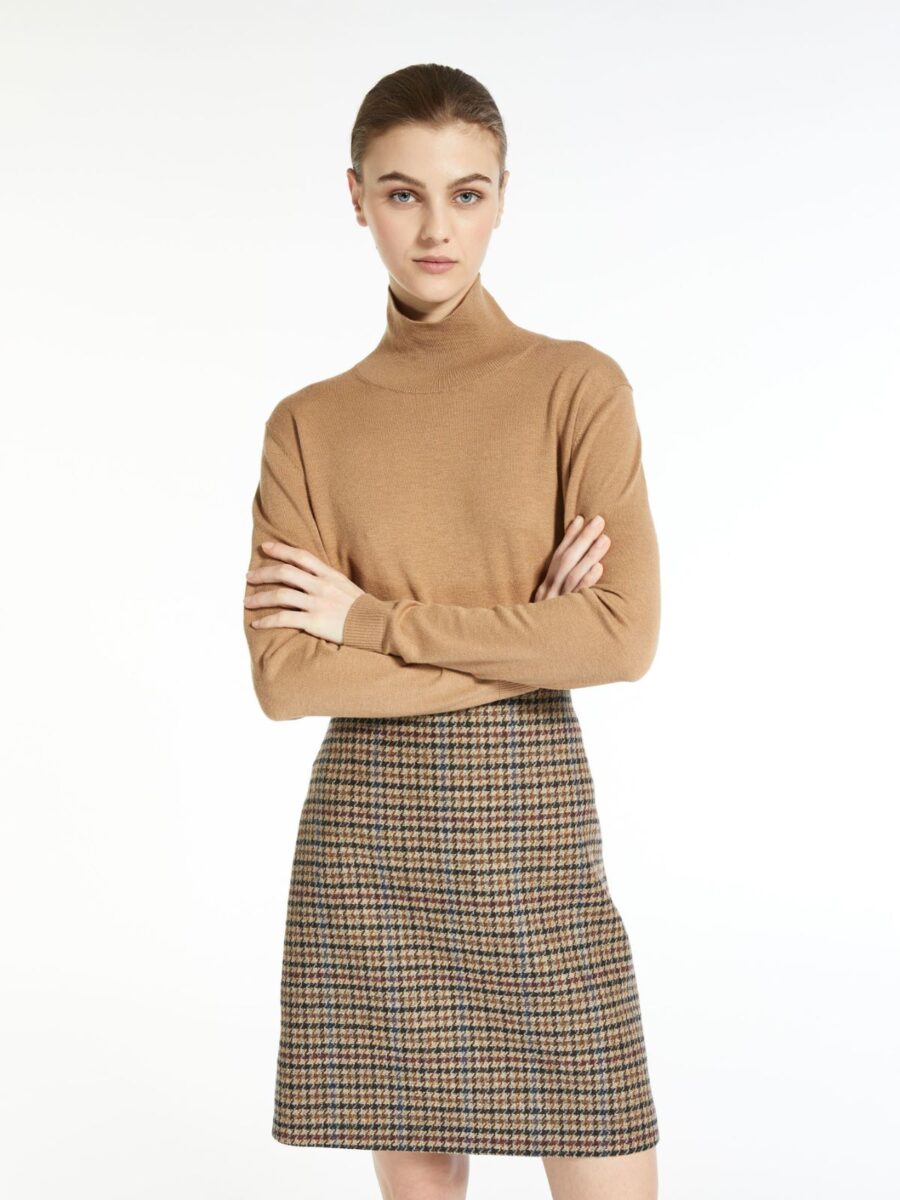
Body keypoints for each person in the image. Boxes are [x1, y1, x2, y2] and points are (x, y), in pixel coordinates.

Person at [243, 63, 661, 1200]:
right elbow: (287, 678)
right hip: (372, 851)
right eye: (403, 193)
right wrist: (531, 635)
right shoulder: (309, 426)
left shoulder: (577, 388)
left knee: (604, 1136)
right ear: (356, 196)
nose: (436, 229)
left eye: (466, 194)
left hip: (534, 833)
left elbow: (622, 641)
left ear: (503, 196)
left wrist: (371, 623)